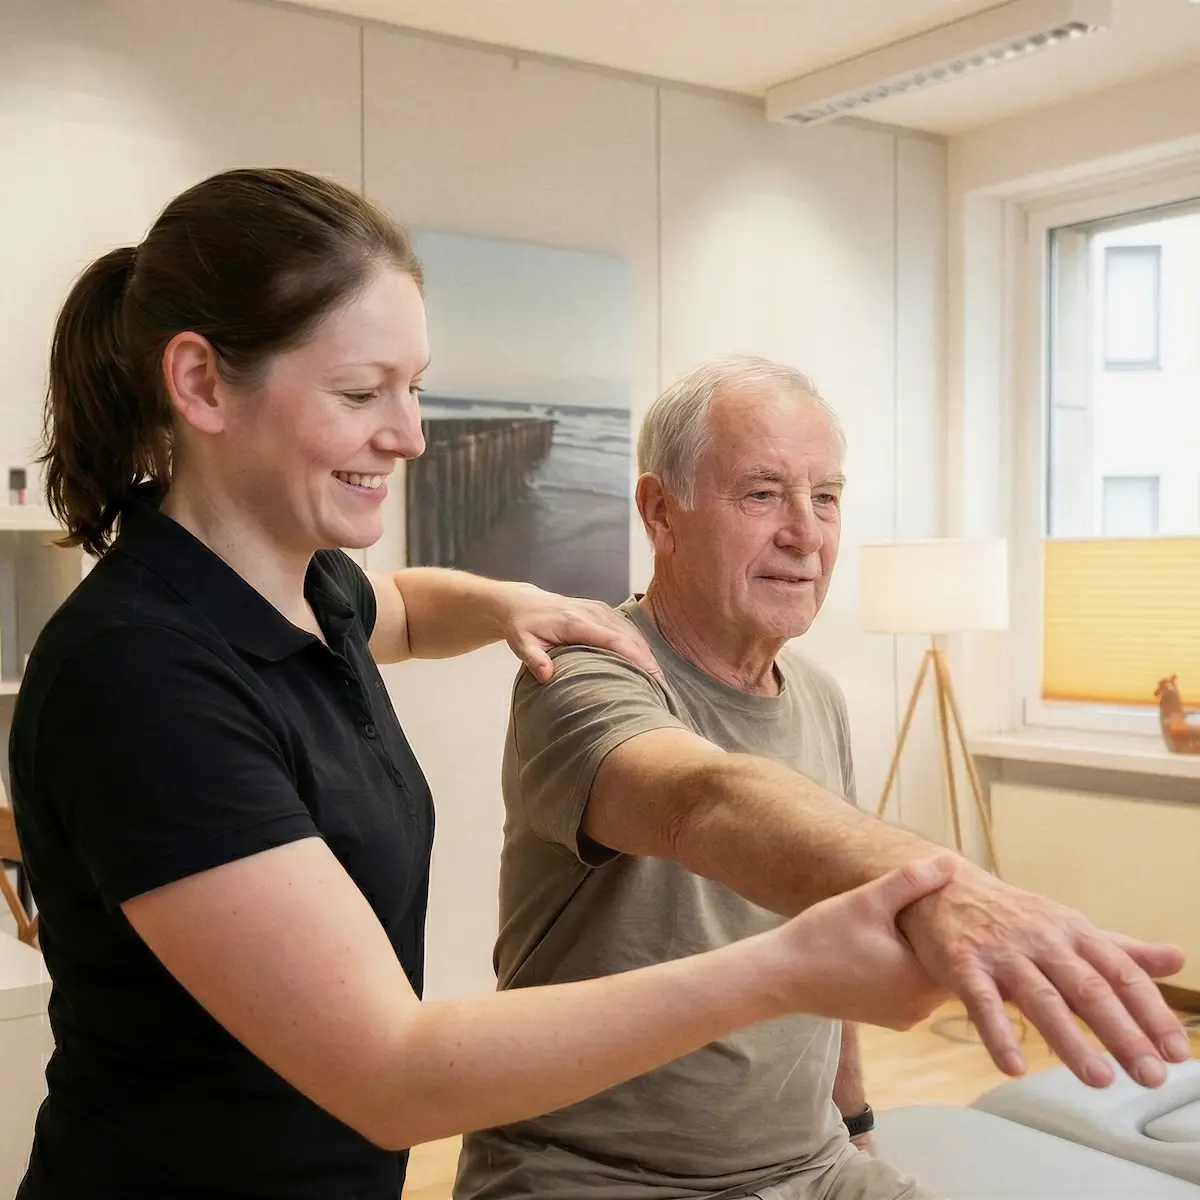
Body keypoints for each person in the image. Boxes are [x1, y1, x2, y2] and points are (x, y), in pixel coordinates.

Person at [8, 170, 965, 1200]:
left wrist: (507, 600)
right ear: (199, 384)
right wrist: (786, 969)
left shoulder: (305, 589)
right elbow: (393, 1072)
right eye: (362, 390)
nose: (413, 435)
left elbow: (407, 608)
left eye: (416, 386)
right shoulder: (142, 675)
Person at [454, 355, 1192, 1200]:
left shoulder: (818, 697)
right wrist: (946, 888)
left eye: (827, 497)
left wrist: (857, 1124)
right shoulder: (582, 670)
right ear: (662, 512)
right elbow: (705, 799)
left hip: (812, 1168)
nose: (805, 533)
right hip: (592, 1176)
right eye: (762, 495)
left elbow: (833, 912)